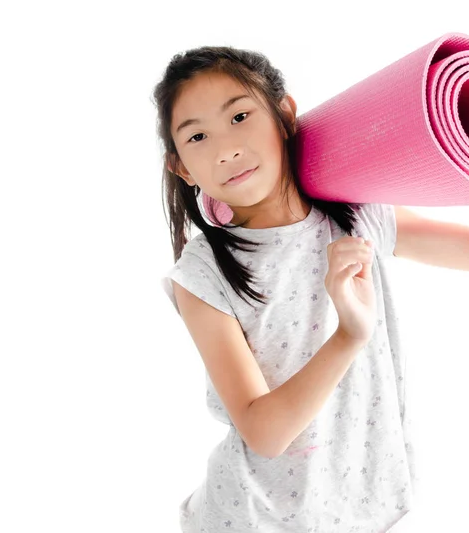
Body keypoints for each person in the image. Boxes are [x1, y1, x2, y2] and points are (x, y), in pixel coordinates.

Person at [154, 46, 417, 533]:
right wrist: (349, 336)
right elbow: (264, 433)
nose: (225, 148)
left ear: (284, 114)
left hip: (363, 511)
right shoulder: (204, 272)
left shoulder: (357, 216)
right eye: (197, 136)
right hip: (255, 520)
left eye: (239, 115)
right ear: (183, 168)